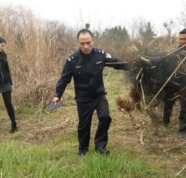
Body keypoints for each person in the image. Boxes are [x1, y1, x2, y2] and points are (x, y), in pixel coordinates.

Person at [53, 29, 130, 157]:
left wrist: (133, 66)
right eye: (82, 43)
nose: (86, 46)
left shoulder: (101, 55)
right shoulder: (72, 60)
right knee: (84, 124)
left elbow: (117, 63)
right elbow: (64, 79)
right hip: (83, 98)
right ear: (78, 43)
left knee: (105, 117)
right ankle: (83, 149)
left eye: (88, 42)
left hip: (99, 95)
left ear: (93, 41)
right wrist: (57, 95)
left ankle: (100, 146)